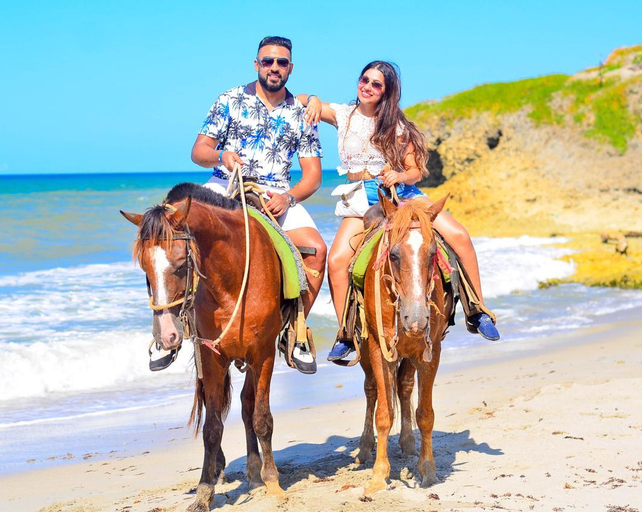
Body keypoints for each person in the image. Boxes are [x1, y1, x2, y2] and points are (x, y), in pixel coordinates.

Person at [298, 60, 500, 363]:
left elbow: (415, 171)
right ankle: (346, 333)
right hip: (359, 199)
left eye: (376, 84)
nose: (367, 87)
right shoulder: (342, 115)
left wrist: (399, 176)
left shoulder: (398, 127)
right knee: (338, 260)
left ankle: (477, 309)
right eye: (364, 80)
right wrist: (312, 99)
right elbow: (299, 99)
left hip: (402, 196)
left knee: (459, 234)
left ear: (386, 92)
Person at [186, 35, 327, 374]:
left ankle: (295, 332)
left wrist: (288, 197)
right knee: (178, 237)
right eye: (268, 61)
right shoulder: (229, 100)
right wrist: (221, 155)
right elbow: (198, 151)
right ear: (257, 65)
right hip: (225, 185)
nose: (274, 67)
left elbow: (313, 175)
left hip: (275, 193)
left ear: (290, 68)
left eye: (281, 62)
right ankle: (172, 327)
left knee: (317, 249)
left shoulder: (301, 113)